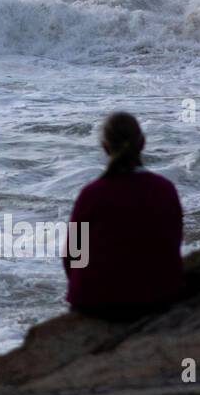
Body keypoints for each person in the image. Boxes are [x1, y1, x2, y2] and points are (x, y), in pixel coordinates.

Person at [63, 112, 183, 321]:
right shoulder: (165, 189)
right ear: (142, 142)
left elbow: (73, 256)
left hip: (95, 301)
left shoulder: (92, 193)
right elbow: (173, 243)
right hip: (155, 298)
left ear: (105, 146)